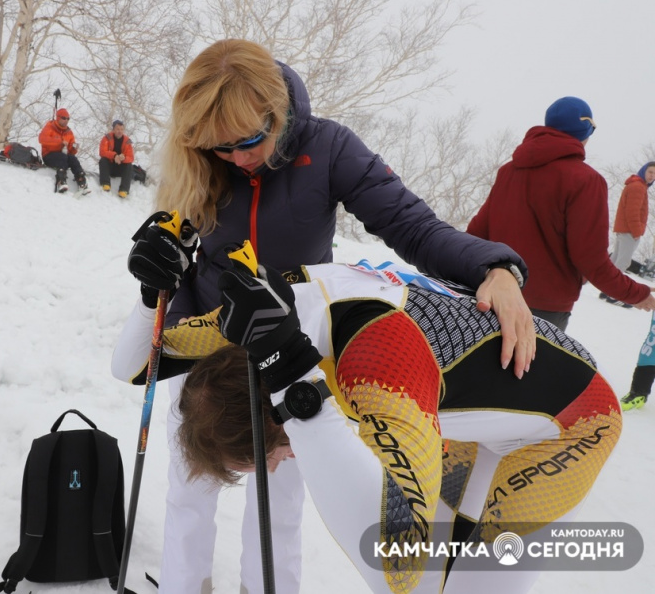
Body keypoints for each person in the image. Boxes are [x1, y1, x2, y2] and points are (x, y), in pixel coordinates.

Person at [139, 38, 535, 594]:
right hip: (210, 345)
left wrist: (493, 267)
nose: (236, 158)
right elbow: (179, 260)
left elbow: (410, 225)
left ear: (278, 111)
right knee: (190, 488)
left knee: (278, 501)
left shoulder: (327, 147)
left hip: (288, 350)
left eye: (249, 140)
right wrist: (168, 316)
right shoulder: (201, 159)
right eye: (218, 148)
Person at [112, 252, 622, 594]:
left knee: (476, 579)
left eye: (272, 455)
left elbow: (397, 564)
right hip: (467, 416)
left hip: (573, 424)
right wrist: (149, 292)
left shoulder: (373, 365)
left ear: (282, 425)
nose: (286, 462)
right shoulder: (258, 326)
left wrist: (297, 388)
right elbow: (137, 365)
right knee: (440, 575)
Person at [467, 96, 655, 330]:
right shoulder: (586, 181)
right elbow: (591, 259)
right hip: (542, 312)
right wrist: (636, 293)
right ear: (585, 130)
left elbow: (476, 233)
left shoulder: (509, 171)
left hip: (491, 296)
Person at [608, 161, 655, 271]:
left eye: (654, 174)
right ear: (644, 171)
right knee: (622, 264)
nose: (652, 176)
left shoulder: (638, 185)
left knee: (615, 262)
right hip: (629, 232)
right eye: (650, 172)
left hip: (625, 230)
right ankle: (611, 288)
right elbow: (632, 212)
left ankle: (605, 287)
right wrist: (637, 231)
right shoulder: (638, 187)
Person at [38, 107, 88, 193]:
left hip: (63, 156)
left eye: (68, 118)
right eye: (64, 118)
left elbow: (71, 152)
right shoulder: (50, 126)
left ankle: (81, 181)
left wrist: (74, 148)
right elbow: (42, 139)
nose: (66, 120)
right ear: (58, 117)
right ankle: (61, 181)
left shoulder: (69, 132)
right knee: (63, 157)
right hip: (49, 155)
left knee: (73, 159)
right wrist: (59, 142)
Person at [99, 119, 135, 197]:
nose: (120, 131)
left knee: (129, 165)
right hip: (110, 166)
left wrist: (123, 158)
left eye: (122, 129)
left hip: (120, 167)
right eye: (118, 129)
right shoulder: (106, 138)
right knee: (103, 160)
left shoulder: (127, 141)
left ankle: (124, 190)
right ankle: (105, 184)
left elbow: (131, 157)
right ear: (113, 129)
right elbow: (102, 152)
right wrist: (114, 156)